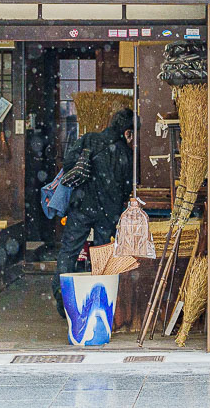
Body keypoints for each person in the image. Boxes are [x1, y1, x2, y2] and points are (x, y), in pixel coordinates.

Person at [53, 107, 135, 315]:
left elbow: (68, 164)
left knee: (69, 251)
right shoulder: (126, 153)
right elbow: (127, 187)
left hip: (81, 206)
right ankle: (98, 303)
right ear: (128, 132)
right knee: (102, 256)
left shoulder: (89, 139)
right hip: (108, 213)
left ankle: (63, 299)